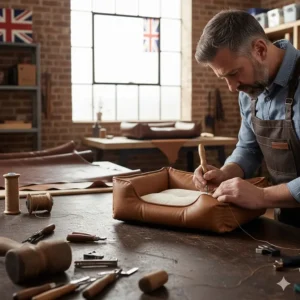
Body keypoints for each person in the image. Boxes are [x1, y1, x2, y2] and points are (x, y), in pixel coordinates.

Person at [193, 9, 300, 227]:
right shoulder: (249, 91)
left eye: (233, 73)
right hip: (289, 224)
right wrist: (225, 173)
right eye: (224, 77)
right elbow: (249, 148)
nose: (232, 88)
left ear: (260, 49)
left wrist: (262, 197)